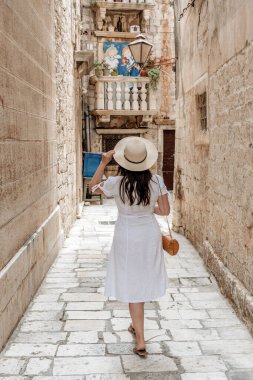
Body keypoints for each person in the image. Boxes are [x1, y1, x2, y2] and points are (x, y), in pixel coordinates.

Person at [90, 136, 170, 358]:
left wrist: (104, 162)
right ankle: (137, 328)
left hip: (126, 235)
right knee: (141, 280)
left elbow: (92, 187)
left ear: (124, 162)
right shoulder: (156, 181)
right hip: (148, 235)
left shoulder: (117, 183)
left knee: (133, 284)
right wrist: (146, 209)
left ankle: (141, 339)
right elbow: (164, 211)